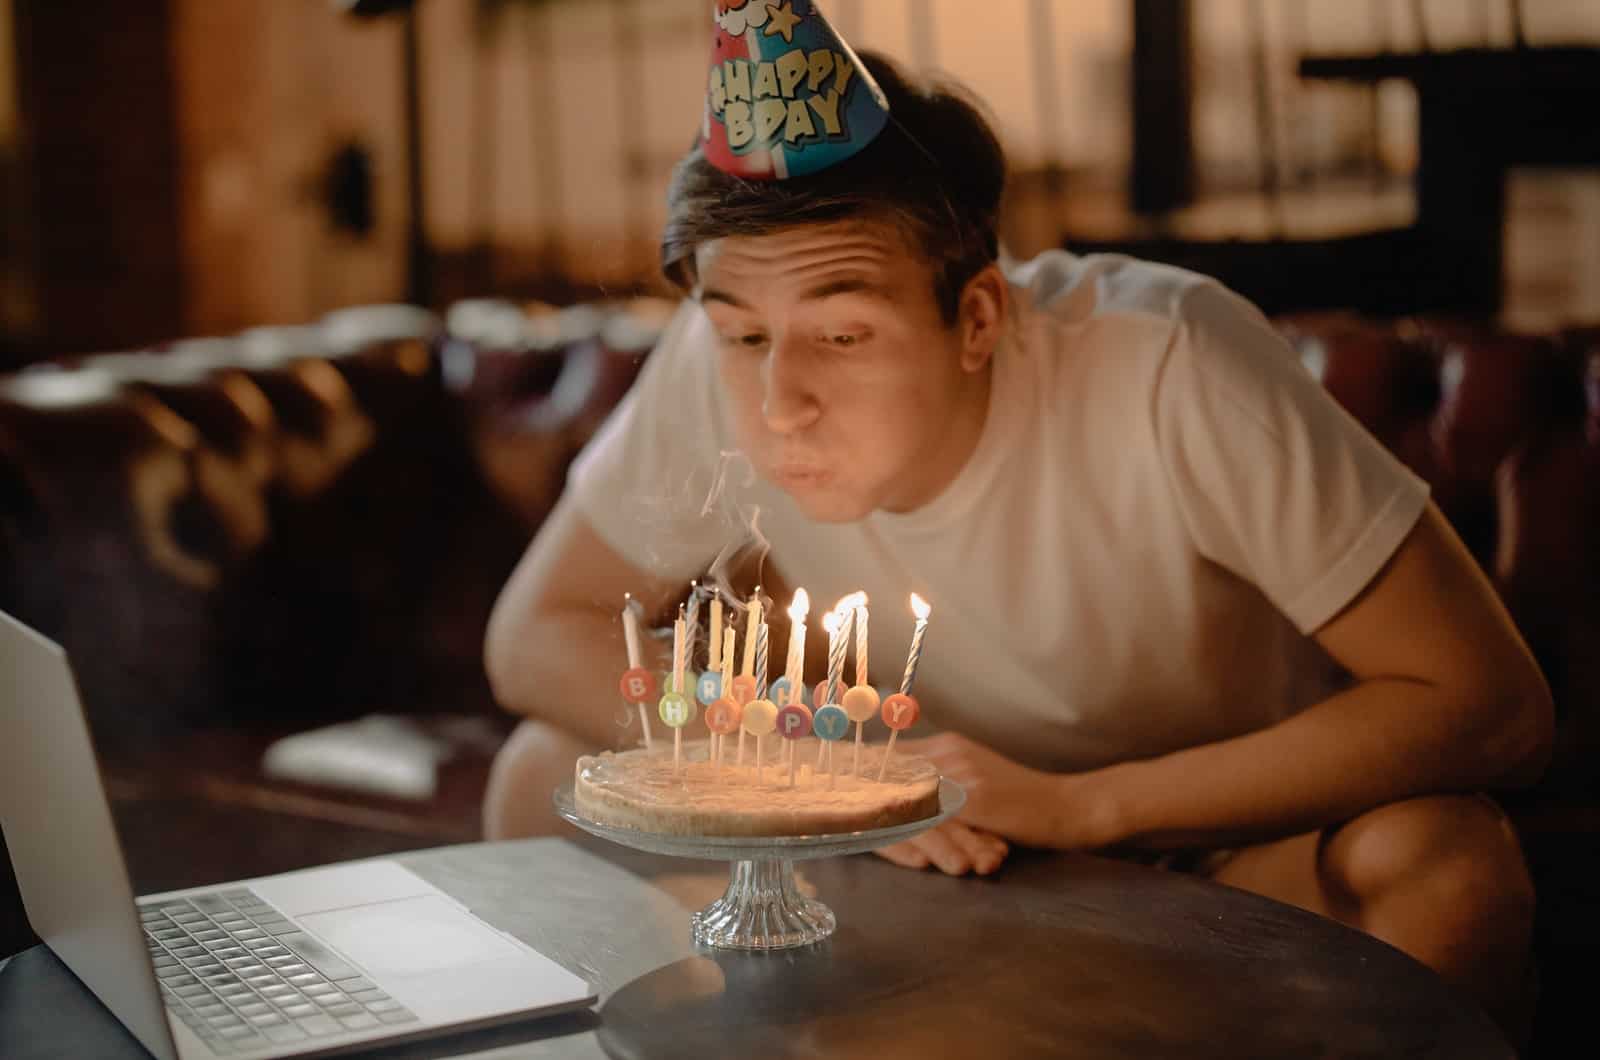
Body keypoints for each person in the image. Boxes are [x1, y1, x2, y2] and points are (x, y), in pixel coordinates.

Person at [482, 9, 1551, 1043]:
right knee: (541, 772)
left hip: (1214, 851)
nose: (777, 400)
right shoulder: (721, 360)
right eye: (743, 333)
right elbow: (532, 634)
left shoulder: (1166, 363)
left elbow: (1488, 700)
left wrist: (1085, 807)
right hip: (908, 851)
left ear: (978, 317)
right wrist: (826, 776)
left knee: (1443, 861)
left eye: (844, 333)